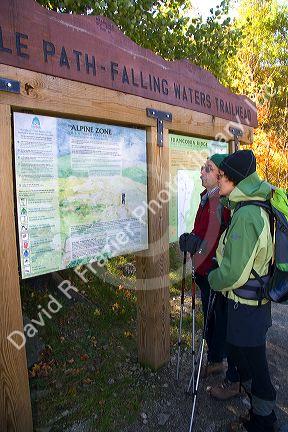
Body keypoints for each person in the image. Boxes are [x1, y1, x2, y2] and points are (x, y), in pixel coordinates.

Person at [208, 150, 277, 432]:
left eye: (222, 176)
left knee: (256, 366)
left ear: (235, 181)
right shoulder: (250, 206)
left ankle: (263, 421)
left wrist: (213, 277)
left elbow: (234, 273)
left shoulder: (247, 215)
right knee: (249, 361)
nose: (218, 180)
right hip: (251, 305)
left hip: (247, 308)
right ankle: (260, 415)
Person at [179, 153, 240, 398]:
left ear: (220, 176)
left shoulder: (221, 204)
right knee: (211, 319)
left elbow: (218, 242)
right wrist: (194, 240)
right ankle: (215, 360)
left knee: (220, 319)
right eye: (203, 168)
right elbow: (204, 232)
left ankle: (225, 365)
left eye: (208, 168)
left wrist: (198, 244)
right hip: (204, 271)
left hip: (215, 273)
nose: (202, 172)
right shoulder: (207, 198)